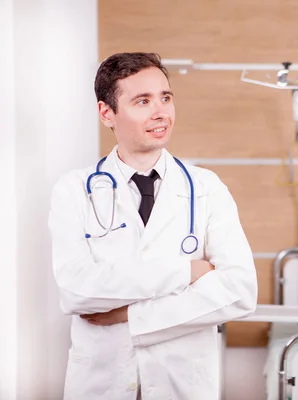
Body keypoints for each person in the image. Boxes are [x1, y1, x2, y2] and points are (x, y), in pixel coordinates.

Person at [48, 52, 258, 400]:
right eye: (142, 101)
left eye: (165, 97)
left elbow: (239, 291)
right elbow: (76, 290)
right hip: (102, 380)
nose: (160, 112)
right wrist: (187, 272)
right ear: (107, 113)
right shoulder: (75, 189)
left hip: (182, 381)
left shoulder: (206, 188)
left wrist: (130, 315)